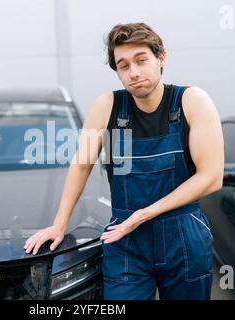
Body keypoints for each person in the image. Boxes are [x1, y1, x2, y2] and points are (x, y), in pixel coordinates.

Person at [24, 22, 224, 300]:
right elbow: (82, 164)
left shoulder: (191, 101)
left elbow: (211, 177)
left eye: (141, 60)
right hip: (126, 240)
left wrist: (144, 214)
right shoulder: (107, 107)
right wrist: (59, 224)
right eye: (123, 65)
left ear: (161, 58)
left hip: (184, 239)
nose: (134, 72)